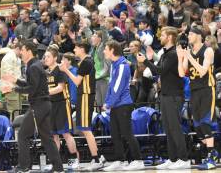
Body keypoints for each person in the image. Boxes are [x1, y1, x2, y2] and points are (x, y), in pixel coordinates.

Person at [1, 41, 64, 173]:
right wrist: (16, 80)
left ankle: (23, 167)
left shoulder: (33, 67)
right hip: (44, 104)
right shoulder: (35, 65)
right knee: (47, 138)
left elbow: (32, 89)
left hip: (39, 105)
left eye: (22, 50)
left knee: (23, 135)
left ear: (29, 51)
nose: (20, 52)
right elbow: (31, 84)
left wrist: (13, 87)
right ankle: (58, 168)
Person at [137, 27, 190, 169]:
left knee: (175, 127)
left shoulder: (173, 54)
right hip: (165, 95)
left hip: (174, 95)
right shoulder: (165, 54)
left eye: (163, 35)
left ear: (170, 37)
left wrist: (146, 61)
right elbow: (158, 71)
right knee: (167, 127)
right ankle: (173, 159)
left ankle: (183, 159)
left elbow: (159, 70)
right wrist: (150, 59)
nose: (160, 37)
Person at [59, 42, 105, 171]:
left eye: (76, 48)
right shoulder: (85, 62)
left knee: (86, 129)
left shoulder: (86, 62)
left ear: (82, 49)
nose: (74, 49)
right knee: (84, 129)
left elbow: (77, 81)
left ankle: (96, 159)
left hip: (85, 95)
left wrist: (65, 70)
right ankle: (98, 157)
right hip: (83, 96)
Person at [177, 24, 218, 170]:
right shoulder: (189, 51)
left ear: (198, 36)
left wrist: (189, 57)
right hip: (194, 91)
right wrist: (181, 58)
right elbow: (182, 74)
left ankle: (211, 157)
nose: (188, 37)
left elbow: (202, 72)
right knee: (198, 126)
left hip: (207, 90)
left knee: (206, 123)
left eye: (191, 35)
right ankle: (211, 153)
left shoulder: (207, 50)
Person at [102, 40, 144, 171]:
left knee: (127, 133)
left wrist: (109, 103)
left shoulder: (122, 65)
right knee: (115, 133)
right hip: (115, 105)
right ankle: (120, 160)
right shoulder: (114, 65)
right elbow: (111, 86)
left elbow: (118, 88)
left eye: (106, 49)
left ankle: (138, 160)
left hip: (123, 105)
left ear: (112, 50)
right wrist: (107, 101)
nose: (104, 51)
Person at [44, 45, 79, 170]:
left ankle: (74, 158)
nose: (45, 58)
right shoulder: (45, 72)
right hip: (50, 105)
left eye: (48, 56)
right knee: (54, 135)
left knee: (66, 133)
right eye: (45, 56)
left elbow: (60, 88)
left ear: (54, 57)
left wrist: (45, 92)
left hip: (62, 103)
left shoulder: (60, 69)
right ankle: (55, 161)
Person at [0, 43, 22, 120]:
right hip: (10, 88)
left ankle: (16, 130)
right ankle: (12, 131)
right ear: (18, 49)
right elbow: (8, 75)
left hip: (16, 87)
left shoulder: (17, 58)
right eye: (21, 50)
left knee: (17, 111)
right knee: (14, 113)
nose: (22, 53)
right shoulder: (8, 57)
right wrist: (21, 82)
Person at [90, 31, 110, 109]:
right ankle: (100, 120)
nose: (92, 38)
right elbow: (89, 38)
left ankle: (106, 120)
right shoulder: (95, 49)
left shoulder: (102, 47)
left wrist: (102, 25)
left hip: (105, 78)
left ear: (99, 38)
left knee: (105, 103)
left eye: (94, 36)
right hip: (97, 78)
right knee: (98, 103)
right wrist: (85, 28)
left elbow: (105, 38)